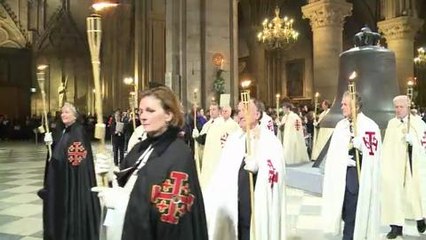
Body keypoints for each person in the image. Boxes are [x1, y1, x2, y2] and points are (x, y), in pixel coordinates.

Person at [97, 86, 208, 240]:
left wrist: (125, 203)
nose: (142, 116)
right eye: (140, 111)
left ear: (168, 114)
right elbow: (127, 181)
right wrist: (110, 175)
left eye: (150, 111)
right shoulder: (140, 148)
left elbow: (170, 214)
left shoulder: (179, 155)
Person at [204, 98, 286, 240]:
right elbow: (223, 170)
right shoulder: (234, 139)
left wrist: (259, 167)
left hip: (254, 201)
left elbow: (276, 171)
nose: (240, 114)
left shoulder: (269, 141)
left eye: (245, 110)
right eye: (239, 110)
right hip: (233, 201)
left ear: (257, 115)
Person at [322, 91, 381, 240]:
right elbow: (335, 152)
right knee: (344, 212)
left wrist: (361, 146)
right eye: (342, 103)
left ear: (356, 106)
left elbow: (374, 154)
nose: (341, 107)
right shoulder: (340, 126)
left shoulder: (369, 126)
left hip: (357, 178)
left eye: (345, 104)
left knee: (352, 216)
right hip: (341, 176)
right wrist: (342, 159)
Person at [40, 102, 100, 240]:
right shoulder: (64, 130)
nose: (63, 115)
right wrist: (51, 144)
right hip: (62, 178)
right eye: (62, 112)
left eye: (67, 112)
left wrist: (57, 158)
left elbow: (75, 159)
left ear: (75, 115)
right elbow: (59, 151)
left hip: (72, 180)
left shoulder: (78, 131)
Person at [381, 95, 426, 239]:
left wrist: (413, 142)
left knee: (416, 195)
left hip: (413, 167)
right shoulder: (392, 124)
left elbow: (424, 145)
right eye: (396, 107)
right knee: (395, 196)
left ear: (408, 107)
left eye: (401, 107)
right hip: (396, 168)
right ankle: (396, 227)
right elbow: (387, 146)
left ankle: (421, 219)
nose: (398, 110)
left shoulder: (418, 123)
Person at [199, 105, 240, 190]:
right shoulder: (213, 125)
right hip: (213, 158)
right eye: (223, 111)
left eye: (226, 111)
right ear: (221, 112)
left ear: (230, 112)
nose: (224, 112)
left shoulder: (235, 126)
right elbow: (208, 142)